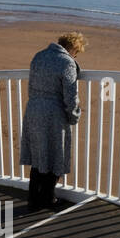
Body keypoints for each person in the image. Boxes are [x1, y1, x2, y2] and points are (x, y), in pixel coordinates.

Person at [21, 32, 87, 211]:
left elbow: (31, 85)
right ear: (73, 48)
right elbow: (71, 96)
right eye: (77, 52)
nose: (76, 56)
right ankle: (48, 199)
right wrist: (74, 116)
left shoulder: (39, 56)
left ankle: (33, 200)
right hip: (53, 113)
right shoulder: (67, 62)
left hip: (33, 109)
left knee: (39, 156)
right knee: (56, 155)